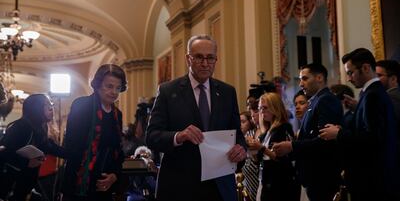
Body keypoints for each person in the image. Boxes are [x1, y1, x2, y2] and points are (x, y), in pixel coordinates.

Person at [145, 34, 246, 201]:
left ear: (216, 59)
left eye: (210, 58)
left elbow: (237, 135)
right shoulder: (168, 91)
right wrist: (179, 136)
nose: (205, 63)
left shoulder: (227, 92)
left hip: (219, 186)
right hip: (180, 186)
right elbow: (151, 136)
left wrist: (241, 149)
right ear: (188, 59)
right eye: (199, 57)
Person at [320, 48, 400, 201]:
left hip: (374, 179)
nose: (349, 78)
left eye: (350, 73)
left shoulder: (373, 95)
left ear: (365, 68)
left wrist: (339, 134)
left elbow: (373, 138)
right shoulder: (370, 93)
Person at [273, 63, 343, 201]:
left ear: (319, 78)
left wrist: (292, 146)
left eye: (305, 78)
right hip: (312, 177)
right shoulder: (316, 101)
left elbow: (325, 140)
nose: (301, 84)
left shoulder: (326, 100)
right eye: (300, 79)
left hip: (322, 176)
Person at [62, 64, 127, 201]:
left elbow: (117, 150)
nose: (114, 92)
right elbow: (72, 146)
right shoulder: (81, 105)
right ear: (97, 85)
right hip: (79, 183)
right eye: (109, 86)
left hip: (106, 183)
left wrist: (114, 176)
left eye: (118, 88)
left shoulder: (117, 114)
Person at [0, 94, 66, 201]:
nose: (51, 108)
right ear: (36, 108)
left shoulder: (40, 129)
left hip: (25, 187)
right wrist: (26, 162)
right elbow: (4, 153)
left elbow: (52, 148)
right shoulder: (21, 127)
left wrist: (78, 153)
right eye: (46, 105)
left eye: (51, 104)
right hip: (10, 186)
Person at [252, 92, 299, 201]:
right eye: (260, 108)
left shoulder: (284, 127)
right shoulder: (268, 131)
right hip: (267, 181)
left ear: (275, 108)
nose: (262, 111)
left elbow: (282, 158)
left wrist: (261, 148)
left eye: (265, 108)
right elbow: (260, 159)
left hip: (281, 183)